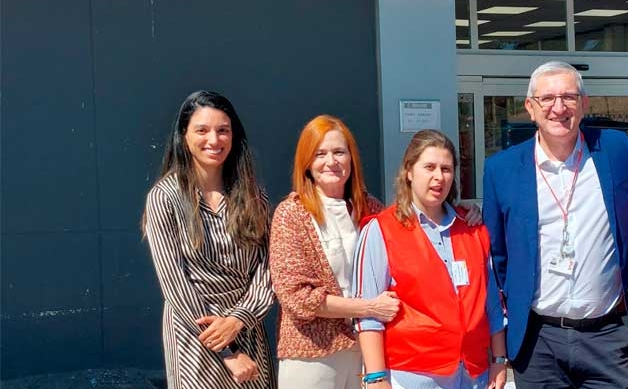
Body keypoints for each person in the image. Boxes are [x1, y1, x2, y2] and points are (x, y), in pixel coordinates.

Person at [481, 61, 628, 388]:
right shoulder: (501, 169)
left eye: (568, 97)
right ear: (530, 107)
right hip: (538, 340)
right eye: (547, 99)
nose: (558, 108)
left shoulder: (613, 149)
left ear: (584, 103)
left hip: (605, 335)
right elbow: (496, 256)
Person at [353, 129, 508, 389]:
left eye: (446, 169)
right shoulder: (381, 230)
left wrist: (499, 359)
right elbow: (368, 313)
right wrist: (375, 378)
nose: (439, 177)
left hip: (472, 374)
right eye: (429, 167)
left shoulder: (472, 228)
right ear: (409, 172)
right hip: (413, 375)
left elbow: (490, 301)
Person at [142, 90, 275, 388]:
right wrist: (227, 351)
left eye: (222, 130)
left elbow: (269, 268)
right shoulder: (164, 198)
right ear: (184, 136)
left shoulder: (254, 195)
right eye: (202, 130)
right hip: (196, 337)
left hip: (247, 326)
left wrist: (239, 319)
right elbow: (176, 285)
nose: (213, 140)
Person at [268, 115, 399, 389]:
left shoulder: (371, 209)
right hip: (312, 355)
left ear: (352, 158)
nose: (331, 161)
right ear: (306, 162)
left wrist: (460, 212)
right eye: (320, 154)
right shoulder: (291, 214)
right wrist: (369, 307)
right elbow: (297, 298)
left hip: (366, 349)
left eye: (339, 152)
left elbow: (410, 232)